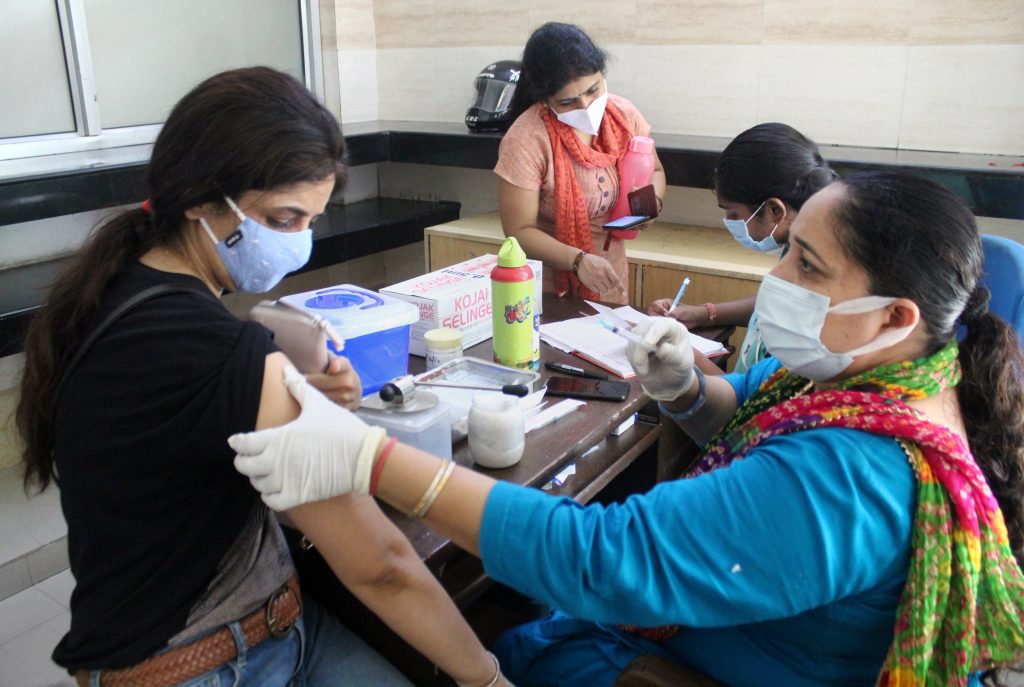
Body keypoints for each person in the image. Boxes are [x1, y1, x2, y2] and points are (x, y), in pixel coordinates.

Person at [231, 171, 1024, 686]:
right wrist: (684, 386)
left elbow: (603, 558)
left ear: (893, 315)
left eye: (807, 266)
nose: (775, 278)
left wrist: (371, 456)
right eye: (787, 252)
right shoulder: (885, 377)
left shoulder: (850, 478)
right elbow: (742, 405)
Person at [15, 67, 509, 687]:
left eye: (310, 221)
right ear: (198, 198)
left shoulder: (111, 292)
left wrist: (288, 387)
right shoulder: (218, 351)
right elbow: (382, 565)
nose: (299, 245)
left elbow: (188, 433)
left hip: (270, 623)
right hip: (204, 663)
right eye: (281, 220)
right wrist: (488, 680)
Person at [496, 22, 667, 305]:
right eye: (568, 102)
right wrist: (578, 260)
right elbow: (518, 231)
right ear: (545, 100)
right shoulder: (527, 140)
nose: (586, 106)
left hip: (610, 276)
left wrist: (651, 205)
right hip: (549, 288)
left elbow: (656, 171)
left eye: (593, 90)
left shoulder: (623, 116)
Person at [649, 123, 837, 374]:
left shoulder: (812, 307)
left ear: (774, 210)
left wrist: (682, 352)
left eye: (734, 214)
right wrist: (705, 314)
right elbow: (769, 302)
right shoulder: (804, 247)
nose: (729, 221)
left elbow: (748, 394)